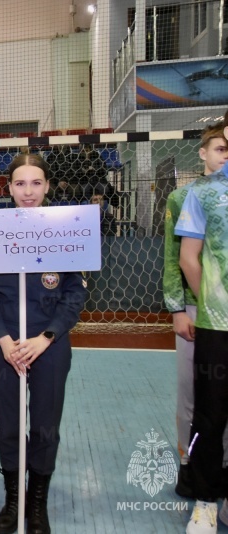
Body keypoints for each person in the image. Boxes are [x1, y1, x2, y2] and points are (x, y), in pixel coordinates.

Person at [0, 154, 87, 534]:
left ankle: (37, 503)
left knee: (45, 427)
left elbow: (74, 294)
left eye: (36, 183)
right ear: (9, 187)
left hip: (49, 346)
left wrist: (47, 337)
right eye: (20, 183)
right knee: (9, 426)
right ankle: (14, 499)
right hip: (4, 345)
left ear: (48, 186)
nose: (28, 191)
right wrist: (4, 340)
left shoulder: (66, 230)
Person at [163, 123, 228, 501]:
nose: (224, 156)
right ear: (203, 153)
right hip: (196, 307)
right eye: (219, 148)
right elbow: (175, 259)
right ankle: (190, 465)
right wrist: (178, 309)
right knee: (194, 395)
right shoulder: (183, 197)